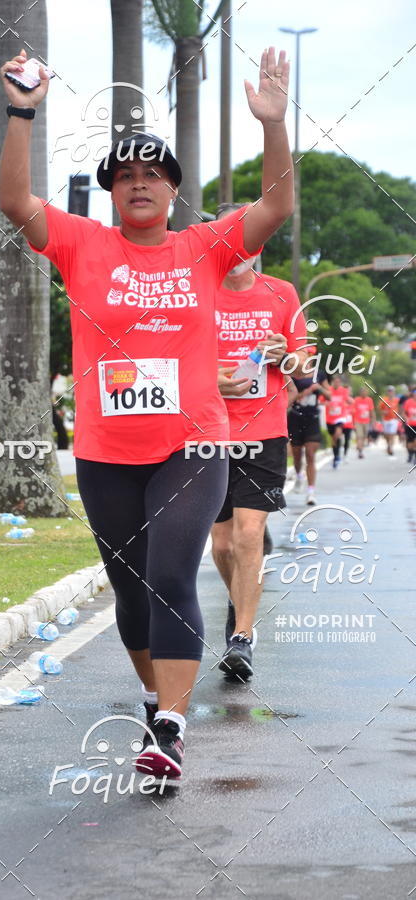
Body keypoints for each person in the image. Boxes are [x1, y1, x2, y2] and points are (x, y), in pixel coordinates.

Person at [0, 47, 294, 778]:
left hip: (192, 446)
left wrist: (273, 126)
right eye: (124, 176)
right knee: (131, 591)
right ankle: (156, 697)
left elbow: (277, 205)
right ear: (110, 192)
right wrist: (21, 112)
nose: (137, 183)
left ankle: (169, 727)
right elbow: (14, 202)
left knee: (170, 575)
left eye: (151, 174)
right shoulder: (81, 244)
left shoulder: (204, 247)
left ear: (171, 189)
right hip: (105, 452)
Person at [210, 203, 307, 680]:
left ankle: (242, 638)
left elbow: (305, 369)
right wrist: (211, 377)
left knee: (250, 535)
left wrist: (285, 355)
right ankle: (238, 610)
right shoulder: (198, 294)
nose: (237, 247)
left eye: (245, 237)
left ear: (257, 244)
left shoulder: (282, 294)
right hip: (208, 432)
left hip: (264, 432)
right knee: (223, 544)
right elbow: (173, 360)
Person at [288, 352, 331, 504]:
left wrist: (319, 387)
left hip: (312, 418)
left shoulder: (319, 374)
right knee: (297, 454)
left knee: (311, 455)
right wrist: (305, 392)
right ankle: (299, 475)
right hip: (295, 418)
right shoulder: (292, 374)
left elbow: (330, 395)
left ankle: (311, 491)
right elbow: (289, 397)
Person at [324, 375, 348, 469]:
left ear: (340, 383)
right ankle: (336, 456)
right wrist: (326, 403)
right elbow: (321, 401)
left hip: (340, 417)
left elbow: (346, 400)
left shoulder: (344, 391)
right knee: (334, 439)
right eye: (335, 382)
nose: (337, 383)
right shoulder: (328, 390)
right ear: (332, 382)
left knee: (337, 434)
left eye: (338, 382)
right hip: (329, 418)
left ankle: (337, 455)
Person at [353, 386, 375, 459]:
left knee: (364, 437)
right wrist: (353, 421)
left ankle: (360, 448)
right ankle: (360, 452)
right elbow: (353, 411)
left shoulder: (369, 400)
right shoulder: (356, 400)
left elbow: (371, 411)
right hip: (358, 421)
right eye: (362, 391)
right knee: (360, 436)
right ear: (360, 392)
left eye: (365, 391)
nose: (364, 393)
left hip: (366, 421)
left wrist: (373, 422)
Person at [378, 385, 400, 456]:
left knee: (392, 434)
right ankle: (388, 444)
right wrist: (383, 412)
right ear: (387, 392)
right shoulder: (384, 399)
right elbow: (379, 409)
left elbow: (400, 408)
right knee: (387, 434)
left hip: (394, 419)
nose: (390, 392)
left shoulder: (397, 400)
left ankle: (391, 447)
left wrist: (399, 416)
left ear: (394, 392)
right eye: (389, 391)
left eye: (392, 391)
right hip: (386, 419)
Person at [400, 386, 416, 463]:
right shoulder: (408, 402)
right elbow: (403, 412)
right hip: (410, 424)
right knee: (410, 441)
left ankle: (415, 457)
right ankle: (410, 454)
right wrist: (405, 418)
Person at [342, 387, 354, 462]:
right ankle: (337, 454)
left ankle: (345, 454)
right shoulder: (341, 401)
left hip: (349, 424)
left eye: (349, 391)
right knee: (338, 439)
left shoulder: (352, 401)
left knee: (347, 440)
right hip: (340, 423)